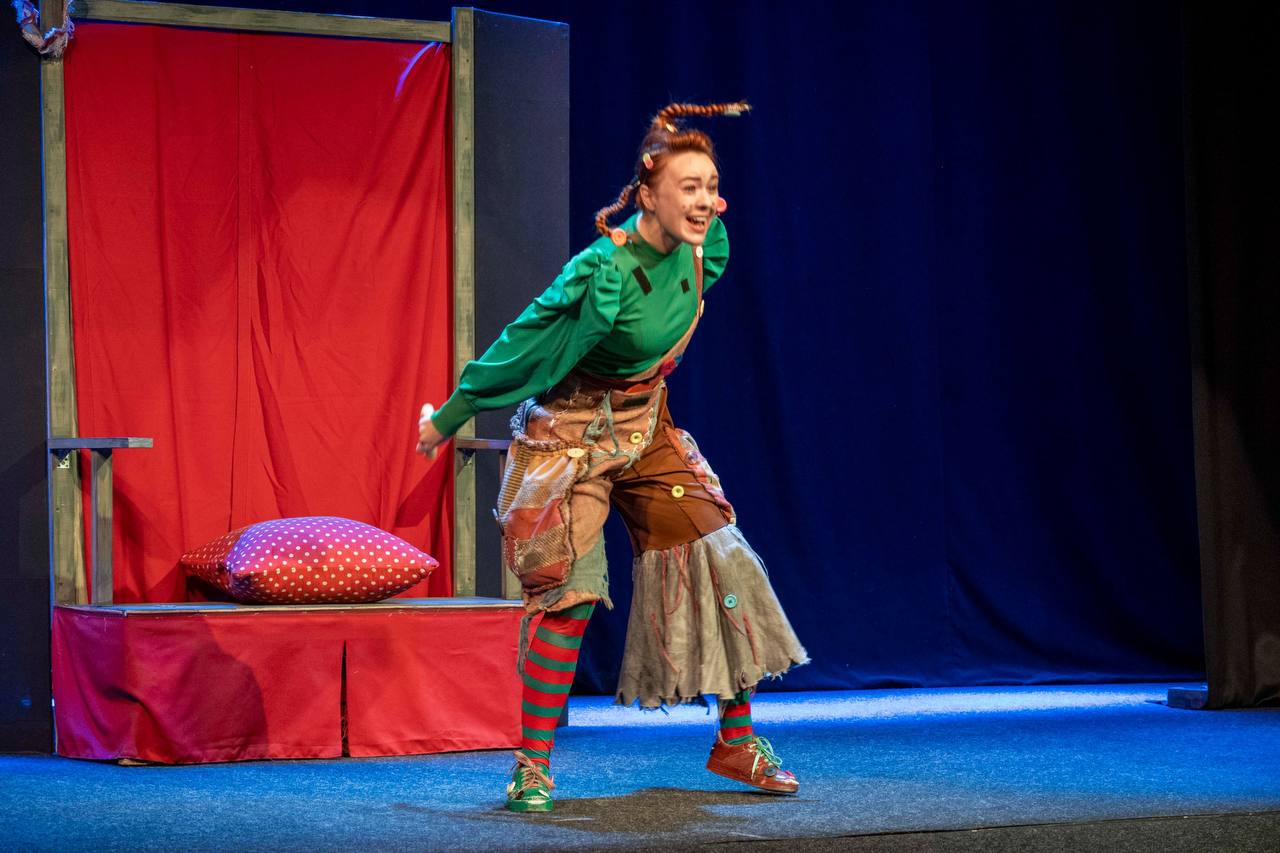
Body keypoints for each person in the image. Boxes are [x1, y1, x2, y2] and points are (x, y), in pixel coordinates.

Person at [416, 101, 808, 813]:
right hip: (571, 434)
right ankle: (532, 767)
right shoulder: (602, 270)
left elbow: (700, 270)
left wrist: (700, 201)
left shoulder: (703, 249)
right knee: (567, 595)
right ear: (647, 193)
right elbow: (525, 339)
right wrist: (448, 416)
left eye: (712, 186)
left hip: (645, 424)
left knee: (722, 557)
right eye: (689, 187)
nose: (705, 201)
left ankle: (737, 741)